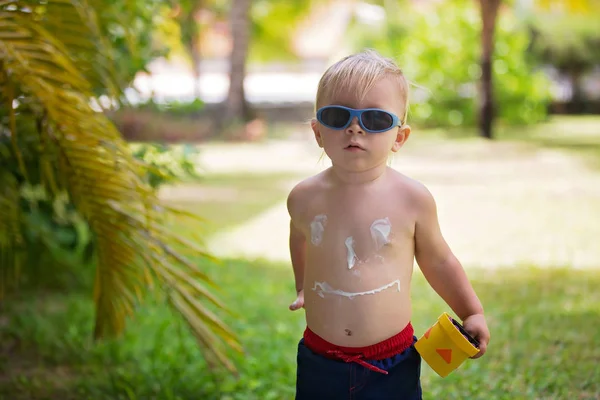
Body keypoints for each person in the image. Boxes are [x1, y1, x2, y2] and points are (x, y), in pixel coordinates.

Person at [286, 49, 490, 399]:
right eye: (338, 116)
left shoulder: (411, 199)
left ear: (399, 137)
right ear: (318, 132)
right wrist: (302, 286)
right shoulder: (304, 197)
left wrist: (471, 311)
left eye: (375, 119)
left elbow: (440, 261)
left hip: (391, 361)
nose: (354, 127)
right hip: (321, 358)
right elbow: (300, 239)